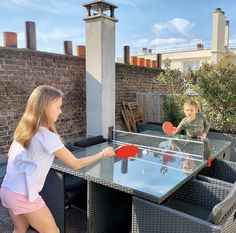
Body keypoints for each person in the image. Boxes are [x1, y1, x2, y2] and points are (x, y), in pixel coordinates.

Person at [0, 85, 115, 233]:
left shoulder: (23, 130)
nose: (61, 111)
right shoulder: (47, 136)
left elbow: (15, 156)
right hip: (24, 196)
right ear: (45, 107)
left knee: (20, 229)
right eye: (58, 107)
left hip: (7, 190)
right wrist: (103, 154)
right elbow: (75, 164)